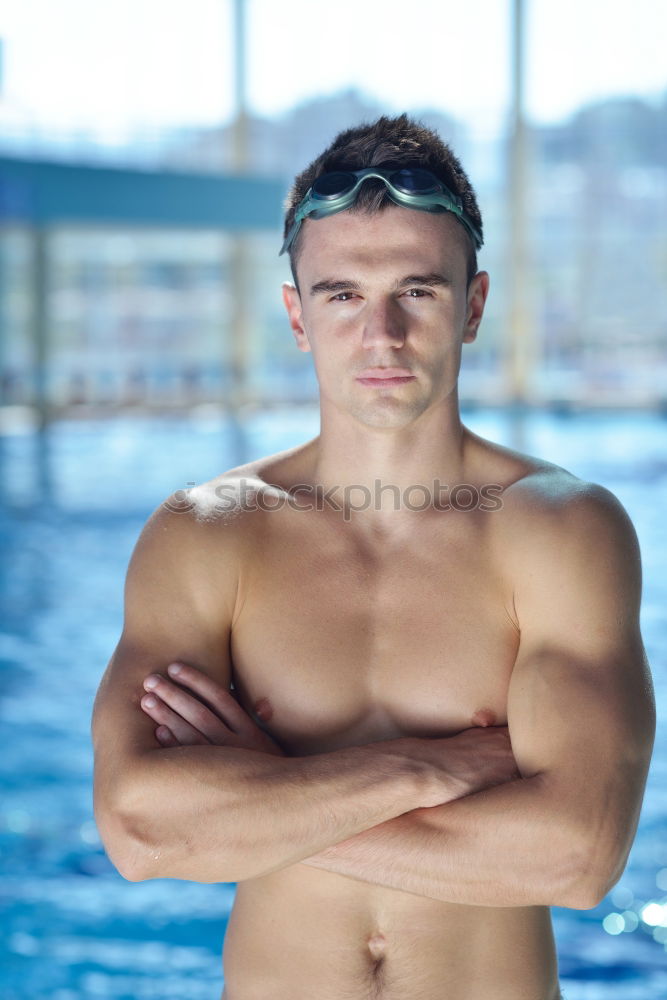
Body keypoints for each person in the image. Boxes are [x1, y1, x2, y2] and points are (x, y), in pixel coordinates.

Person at [91, 114, 656, 1000]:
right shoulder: (207, 534)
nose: (381, 335)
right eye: (343, 294)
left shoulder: (558, 530)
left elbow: (577, 855)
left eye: (417, 292)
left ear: (471, 306)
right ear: (297, 315)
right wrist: (422, 769)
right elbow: (138, 832)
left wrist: (266, 791)